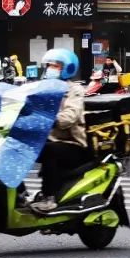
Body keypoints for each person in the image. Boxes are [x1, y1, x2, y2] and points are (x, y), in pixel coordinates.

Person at [31, 48, 90, 214]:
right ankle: (20, 193)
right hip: (50, 139)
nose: (50, 69)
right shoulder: (45, 88)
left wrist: (52, 120)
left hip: (72, 143)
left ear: (67, 68)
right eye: (49, 65)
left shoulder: (74, 90)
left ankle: (49, 198)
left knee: (50, 150)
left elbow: (71, 115)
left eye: (55, 66)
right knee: (17, 147)